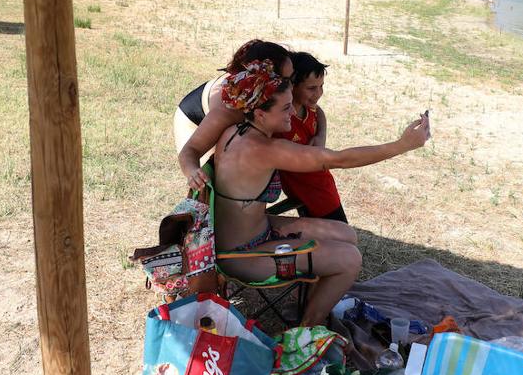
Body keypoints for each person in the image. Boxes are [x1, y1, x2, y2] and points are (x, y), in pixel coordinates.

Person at [212, 60, 429, 327]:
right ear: (260, 114)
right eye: (285, 107)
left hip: (253, 232)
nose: (293, 111)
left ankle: (307, 308)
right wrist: (402, 145)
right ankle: (306, 332)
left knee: (346, 234)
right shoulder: (263, 148)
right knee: (350, 259)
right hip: (243, 255)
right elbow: (337, 159)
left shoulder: (236, 131)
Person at [173, 40, 293, 192]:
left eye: (292, 78)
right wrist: (193, 172)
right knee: (212, 185)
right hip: (194, 118)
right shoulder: (228, 112)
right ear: (263, 81)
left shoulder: (264, 93)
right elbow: (190, 150)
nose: (292, 86)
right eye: (286, 80)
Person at [276, 52, 347, 223]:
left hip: (323, 186)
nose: (319, 93)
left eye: (321, 86)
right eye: (311, 88)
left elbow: (319, 111)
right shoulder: (281, 118)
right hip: (309, 192)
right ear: (292, 85)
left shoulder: (307, 106)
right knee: (335, 234)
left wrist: (321, 134)